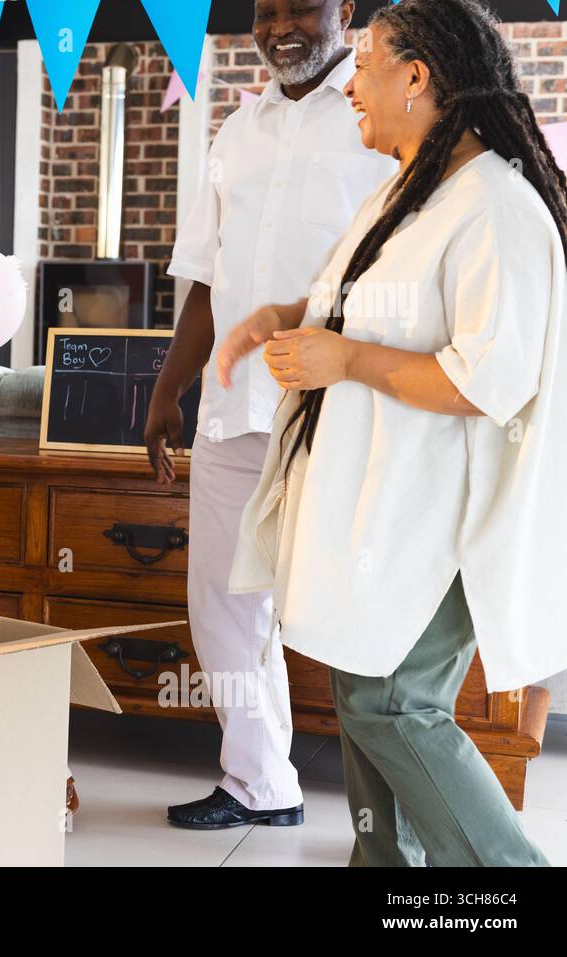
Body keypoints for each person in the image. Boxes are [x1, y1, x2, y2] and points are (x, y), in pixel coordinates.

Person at [221, 0, 563, 866]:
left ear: (419, 76)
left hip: (440, 522)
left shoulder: (495, 207)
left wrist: (344, 359)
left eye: (365, 62)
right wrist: (288, 314)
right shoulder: (411, 191)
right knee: (357, 683)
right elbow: (379, 301)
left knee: (393, 704)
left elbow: (487, 379)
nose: (351, 88)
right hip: (377, 509)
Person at [146, 0, 396, 830]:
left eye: (301, 6)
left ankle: (393, 810)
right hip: (231, 406)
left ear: (345, 11)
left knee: (356, 604)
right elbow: (207, 281)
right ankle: (261, 781)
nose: (280, 23)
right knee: (221, 599)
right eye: (265, 9)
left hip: (345, 407)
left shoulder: (380, 112)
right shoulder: (236, 130)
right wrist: (165, 390)